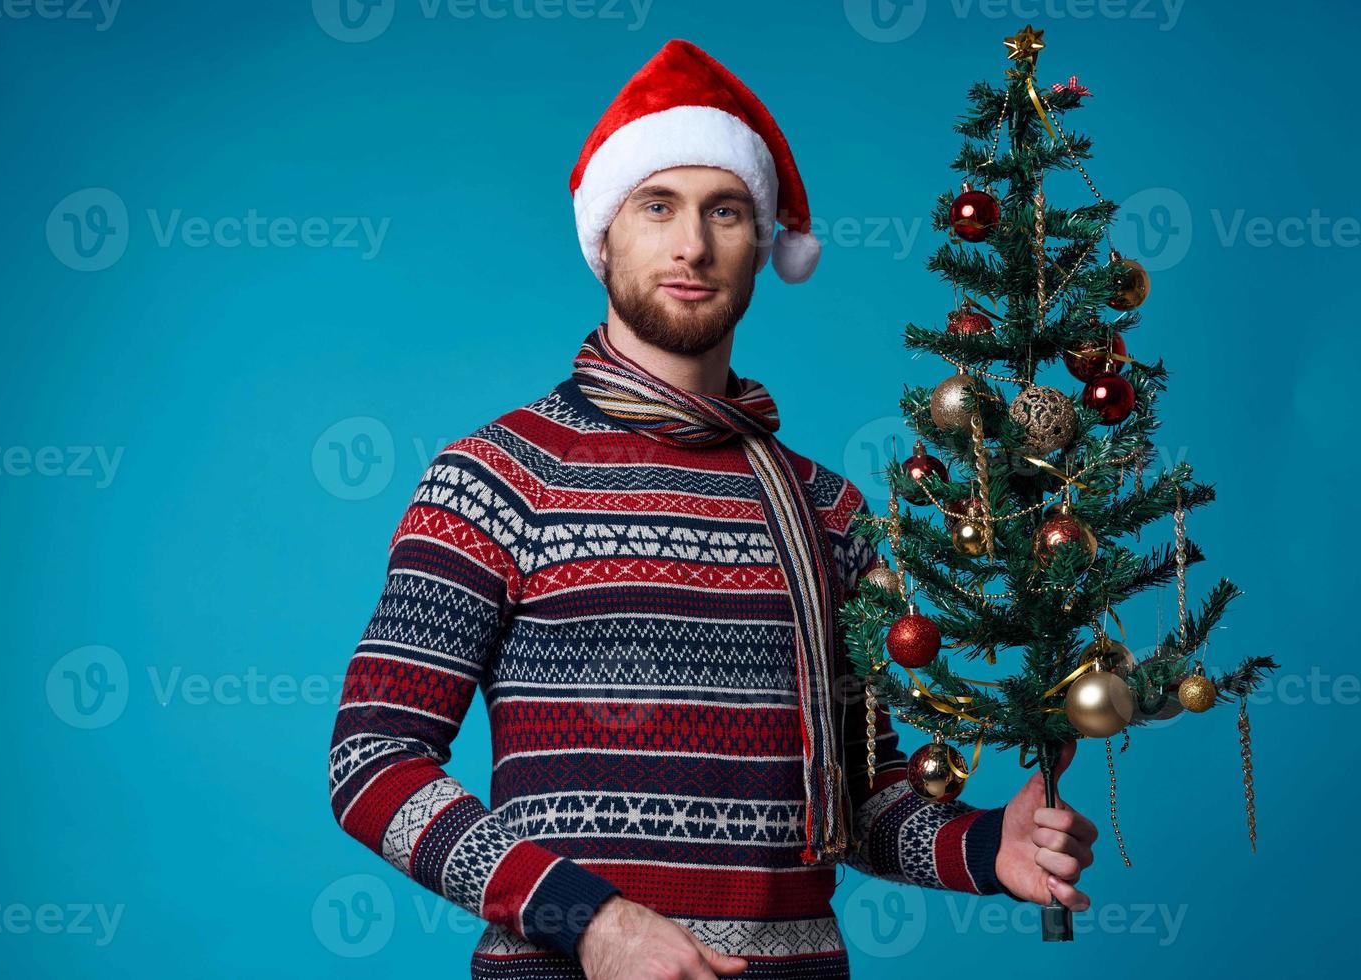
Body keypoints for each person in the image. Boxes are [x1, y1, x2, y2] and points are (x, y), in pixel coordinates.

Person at [327, 38, 1096, 980]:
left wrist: (988, 851)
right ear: (605, 235)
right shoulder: (496, 478)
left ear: (762, 244)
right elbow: (374, 761)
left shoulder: (831, 510)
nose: (692, 244)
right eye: (659, 206)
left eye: (724, 211)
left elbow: (854, 798)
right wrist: (595, 922)